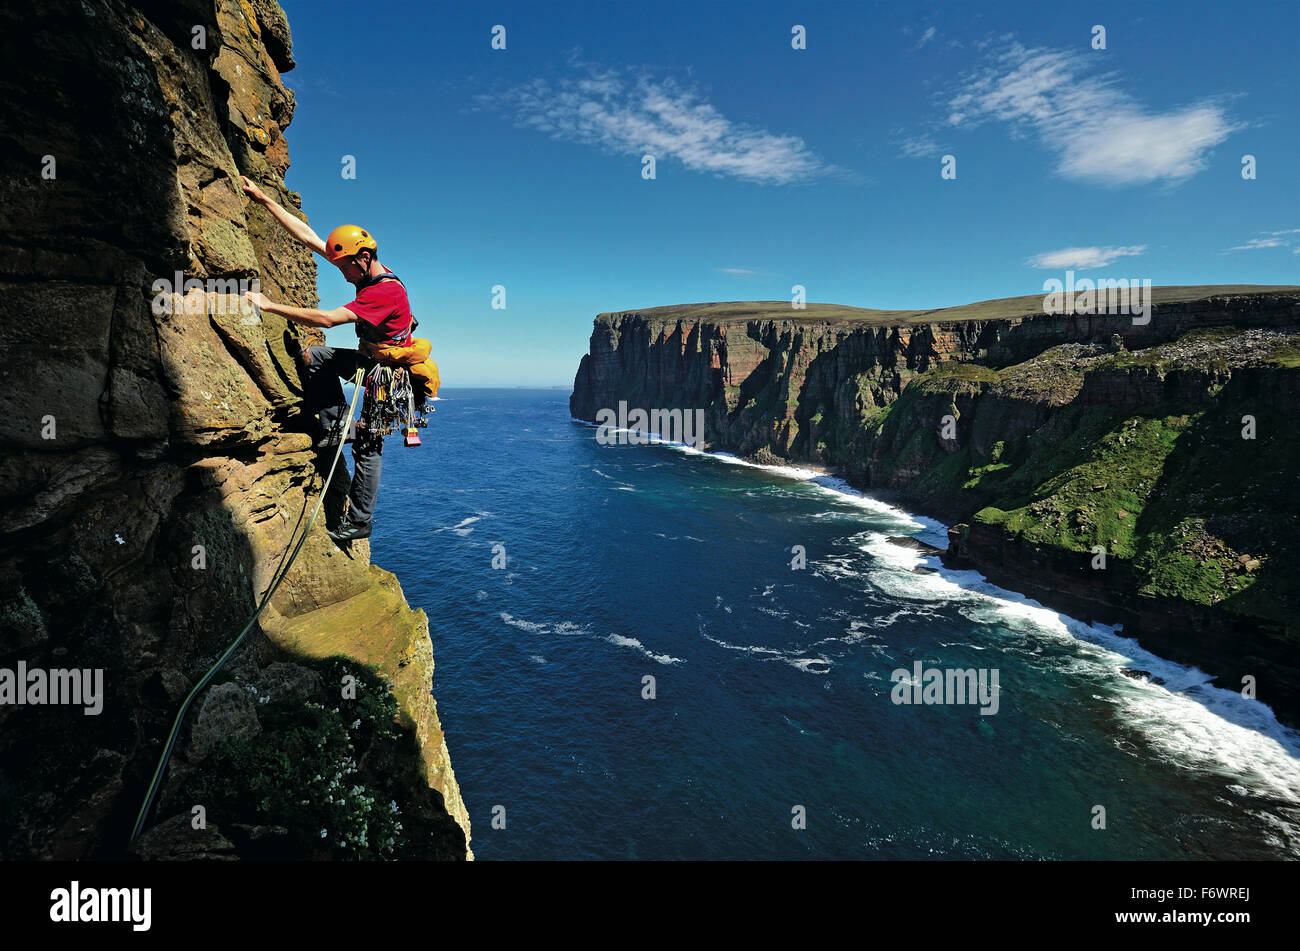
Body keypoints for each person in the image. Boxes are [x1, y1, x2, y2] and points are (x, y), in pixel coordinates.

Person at [240, 176, 417, 542]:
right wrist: (264, 201)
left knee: (369, 445)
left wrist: (270, 306)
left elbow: (328, 320)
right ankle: (337, 426)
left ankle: (360, 521)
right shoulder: (362, 270)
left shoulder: (383, 292)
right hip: (370, 362)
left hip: (389, 376)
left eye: (346, 267)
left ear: (364, 258)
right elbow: (308, 238)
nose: (342, 272)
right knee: (316, 358)